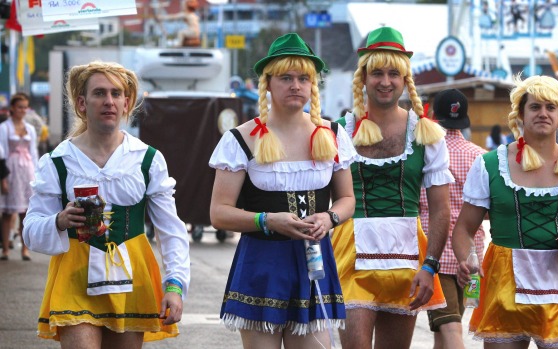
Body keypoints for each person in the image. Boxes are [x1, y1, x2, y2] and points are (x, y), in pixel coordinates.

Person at [22, 61, 190, 346]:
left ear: (127, 103)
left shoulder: (147, 159)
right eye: (99, 93)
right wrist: (59, 221)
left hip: (132, 275)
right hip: (75, 275)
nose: (109, 101)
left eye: (116, 93)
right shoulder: (58, 162)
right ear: (82, 102)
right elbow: (30, 231)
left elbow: (171, 230)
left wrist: (175, 284)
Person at [209, 33, 356, 349]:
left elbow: (347, 199)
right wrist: (268, 220)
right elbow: (219, 214)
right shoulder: (242, 139)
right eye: (286, 77)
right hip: (262, 265)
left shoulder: (331, 133)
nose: (296, 85)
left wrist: (330, 218)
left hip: (315, 264)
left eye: (304, 78)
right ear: (268, 83)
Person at [453, 74, 558, 348]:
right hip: (503, 285)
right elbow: (464, 229)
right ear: (521, 114)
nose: (543, 113)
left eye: (551, 107)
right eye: (535, 106)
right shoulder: (490, 164)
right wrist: (466, 260)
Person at [332, 26, 452, 349]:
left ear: (405, 80)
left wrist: (431, 266)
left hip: (407, 261)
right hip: (351, 255)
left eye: (394, 74)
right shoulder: (340, 130)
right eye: (377, 73)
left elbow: (441, 209)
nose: (385, 82)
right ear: (364, 78)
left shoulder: (425, 134)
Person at [419, 89, 486, 349]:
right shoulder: (479, 156)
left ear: (434, 116)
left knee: (449, 327)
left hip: (434, 251)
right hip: (472, 257)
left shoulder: (427, 152)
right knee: (447, 326)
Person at [0, 93, 38, 261]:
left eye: (25, 107)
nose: (23, 110)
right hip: (11, 169)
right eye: (20, 107)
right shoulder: (4, 128)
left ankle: (25, 249)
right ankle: (6, 249)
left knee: (26, 212)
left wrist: (37, 177)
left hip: (27, 170)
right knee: (9, 211)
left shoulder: (29, 128)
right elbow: (3, 153)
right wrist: (3, 178)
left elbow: (34, 152)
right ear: (13, 108)